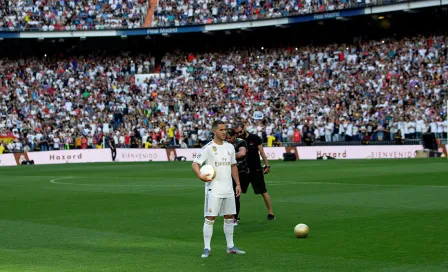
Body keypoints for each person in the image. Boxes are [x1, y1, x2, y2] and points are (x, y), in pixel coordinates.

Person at [192, 120, 246, 258]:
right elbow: (195, 164)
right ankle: (207, 248)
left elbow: (233, 166)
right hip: (213, 189)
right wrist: (200, 176)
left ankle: (230, 246)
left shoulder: (230, 147)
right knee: (210, 218)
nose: (224, 132)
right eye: (221, 130)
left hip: (228, 188)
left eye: (225, 129)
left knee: (229, 217)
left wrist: (238, 184)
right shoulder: (208, 148)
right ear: (214, 131)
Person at [234, 122, 275, 220]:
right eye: (237, 133)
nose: (239, 134)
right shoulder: (237, 141)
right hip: (242, 170)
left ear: (244, 128)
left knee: (263, 191)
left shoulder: (255, 138)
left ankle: (271, 213)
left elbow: (262, 152)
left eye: (240, 131)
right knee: (237, 193)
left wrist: (267, 165)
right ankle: (236, 215)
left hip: (255, 169)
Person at [225, 128, 250, 225]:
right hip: (228, 172)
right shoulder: (226, 144)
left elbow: (242, 153)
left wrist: (229, 157)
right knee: (230, 195)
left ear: (234, 136)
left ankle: (235, 217)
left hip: (240, 171)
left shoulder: (241, 142)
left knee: (236, 195)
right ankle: (232, 215)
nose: (228, 140)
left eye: (229, 138)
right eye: (226, 138)